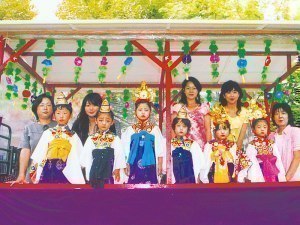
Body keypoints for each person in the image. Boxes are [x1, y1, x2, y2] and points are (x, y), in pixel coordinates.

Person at [30, 92, 85, 184]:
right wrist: (34, 170)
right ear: (54, 116)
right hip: (49, 167)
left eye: (65, 113)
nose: (61, 116)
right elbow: (40, 152)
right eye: (58, 113)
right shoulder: (48, 133)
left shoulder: (73, 135)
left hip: (67, 168)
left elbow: (79, 156)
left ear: (70, 115)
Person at [122, 81, 164, 184]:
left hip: (151, 163)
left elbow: (160, 149)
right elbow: (125, 149)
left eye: (146, 110)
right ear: (135, 112)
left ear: (150, 111)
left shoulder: (155, 129)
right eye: (140, 110)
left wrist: (160, 165)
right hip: (133, 163)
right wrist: (125, 164)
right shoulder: (130, 129)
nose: (143, 112)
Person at [80, 99, 126, 188]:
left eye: (107, 121)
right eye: (101, 120)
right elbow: (86, 158)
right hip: (94, 172)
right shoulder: (91, 138)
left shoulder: (115, 138)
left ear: (112, 122)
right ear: (96, 121)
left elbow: (119, 155)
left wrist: (117, 169)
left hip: (109, 171)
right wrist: (89, 173)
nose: (104, 123)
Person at [12, 93, 56, 184]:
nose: (45, 108)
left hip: (55, 175)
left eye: (48, 105)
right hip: (33, 174)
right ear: (36, 108)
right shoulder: (29, 128)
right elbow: (25, 151)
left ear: (53, 109)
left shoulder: (59, 127)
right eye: (42, 105)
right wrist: (21, 174)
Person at [238, 118, 286, 183]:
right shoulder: (252, 144)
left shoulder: (271, 143)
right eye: (259, 127)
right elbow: (250, 160)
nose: (262, 129)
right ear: (253, 130)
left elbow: (278, 159)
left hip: (273, 171)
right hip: (259, 170)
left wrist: (282, 175)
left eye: (265, 127)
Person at [171, 77, 211, 150]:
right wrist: (174, 147)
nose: (191, 91)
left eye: (194, 88)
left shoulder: (204, 108)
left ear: (198, 90)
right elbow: (173, 129)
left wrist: (209, 149)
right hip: (182, 148)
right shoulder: (177, 108)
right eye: (188, 88)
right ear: (184, 90)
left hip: (200, 148)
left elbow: (208, 130)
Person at [171, 107, 206, 184]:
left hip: (190, 177)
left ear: (188, 128)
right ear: (174, 127)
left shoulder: (193, 144)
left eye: (184, 126)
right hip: (174, 177)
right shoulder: (170, 145)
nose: (181, 129)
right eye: (178, 126)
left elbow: (199, 163)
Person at [271, 103, 300, 181]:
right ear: (273, 118)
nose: (280, 116)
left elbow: (297, 157)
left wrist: (286, 179)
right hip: (276, 180)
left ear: (288, 116)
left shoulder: (296, 131)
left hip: (293, 179)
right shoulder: (271, 136)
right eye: (276, 114)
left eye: (283, 113)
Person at [219, 80, 249, 150]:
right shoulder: (218, 111)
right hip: (221, 148)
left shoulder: (244, 112)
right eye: (228, 92)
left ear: (239, 95)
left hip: (239, 148)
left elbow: (242, 135)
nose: (232, 95)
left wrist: (236, 149)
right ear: (223, 95)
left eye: (235, 92)